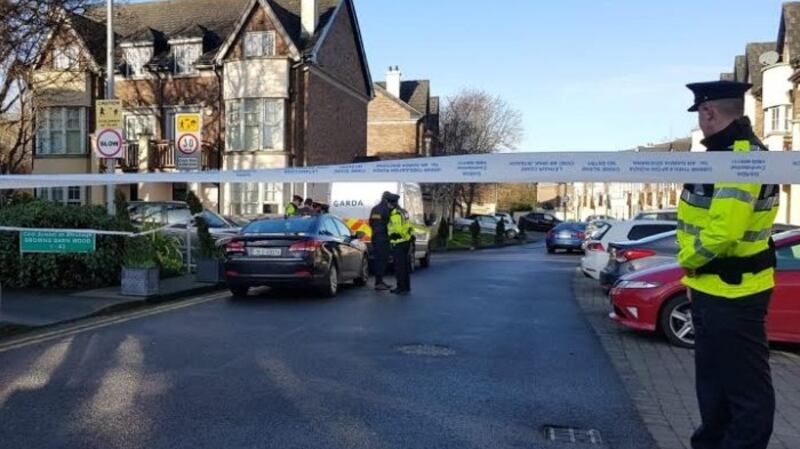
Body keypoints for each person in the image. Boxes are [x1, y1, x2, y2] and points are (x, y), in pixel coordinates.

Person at [680, 80, 780, 449]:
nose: (702, 124)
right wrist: (694, 277)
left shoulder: (744, 156)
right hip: (712, 289)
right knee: (714, 391)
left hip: (735, 292)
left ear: (709, 112)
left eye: (702, 116)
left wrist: (687, 262)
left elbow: (725, 230)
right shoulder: (723, 154)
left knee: (745, 396)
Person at [387, 193, 413, 295]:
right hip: (406, 241)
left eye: (388, 203)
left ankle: (400, 287)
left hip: (398, 243)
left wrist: (395, 235)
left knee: (399, 266)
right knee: (406, 266)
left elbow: (398, 228)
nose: (388, 205)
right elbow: (409, 226)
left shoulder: (395, 214)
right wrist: (408, 237)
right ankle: (406, 286)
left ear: (391, 203)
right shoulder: (404, 211)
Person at [369, 192, 394, 291]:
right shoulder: (387, 209)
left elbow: (371, 223)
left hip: (375, 237)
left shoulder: (374, 209)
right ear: (387, 200)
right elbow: (389, 224)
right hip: (383, 238)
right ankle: (378, 283)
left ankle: (379, 281)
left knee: (378, 259)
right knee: (382, 260)